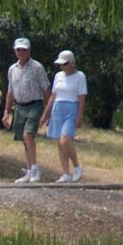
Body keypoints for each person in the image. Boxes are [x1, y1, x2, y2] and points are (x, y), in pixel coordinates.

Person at [2, 37, 51, 183]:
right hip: (20, 106)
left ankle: (35, 169)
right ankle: (29, 170)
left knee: (28, 134)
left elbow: (46, 89)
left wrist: (47, 112)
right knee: (24, 139)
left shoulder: (37, 67)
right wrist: (7, 111)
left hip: (34, 104)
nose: (21, 52)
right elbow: (10, 91)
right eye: (18, 50)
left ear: (29, 51)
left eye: (24, 50)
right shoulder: (12, 69)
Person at [41, 49, 88, 182]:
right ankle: (65, 173)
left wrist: (80, 115)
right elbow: (53, 96)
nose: (63, 66)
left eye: (65, 63)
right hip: (58, 107)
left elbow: (81, 97)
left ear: (72, 62)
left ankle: (77, 166)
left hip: (72, 107)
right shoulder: (58, 76)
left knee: (65, 140)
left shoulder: (80, 76)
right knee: (59, 143)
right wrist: (45, 115)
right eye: (61, 64)